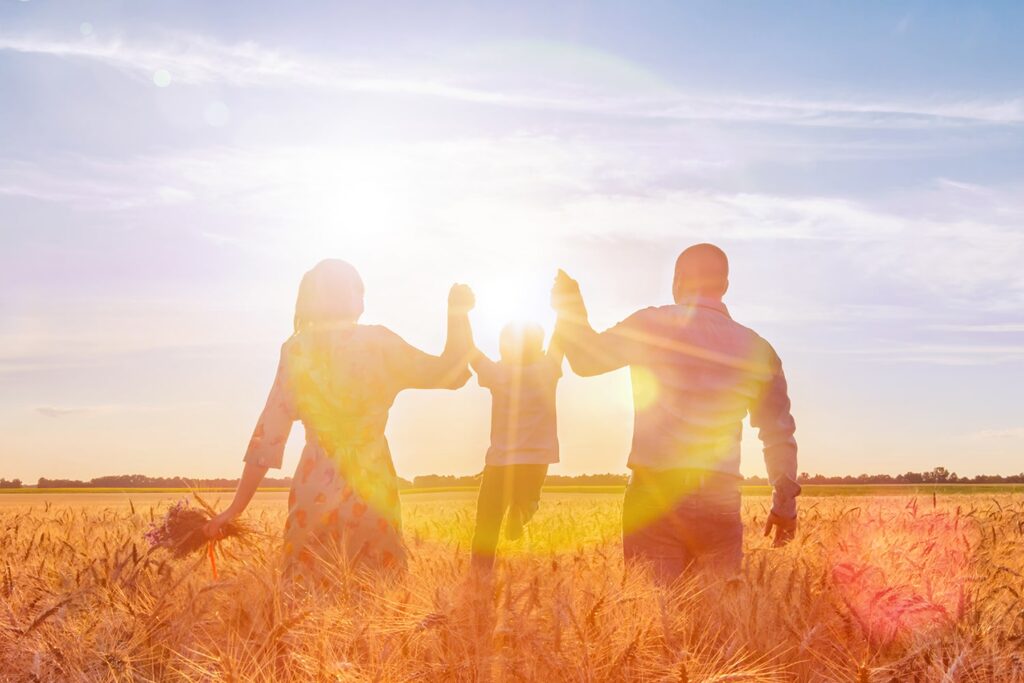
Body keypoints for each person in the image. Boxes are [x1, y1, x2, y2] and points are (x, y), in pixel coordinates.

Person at [205, 259, 475, 578]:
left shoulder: (297, 350)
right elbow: (452, 373)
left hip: (313, 487)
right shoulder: (380, 343)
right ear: (353, 298)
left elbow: (268, 437)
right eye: (357, 288)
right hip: (372, 486)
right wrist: (458, 315)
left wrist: (235, 509)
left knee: (305, 590)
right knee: (377, 590)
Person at [551, 243, 799, 581]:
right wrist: (785, 506)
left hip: (655, 493)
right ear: (724, 285)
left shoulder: (652, 323)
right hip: (720, 496)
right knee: (717, 622)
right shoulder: (759, 349)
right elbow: (778, 432)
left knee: (655, 619)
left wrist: (569, 306)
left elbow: (586, 360)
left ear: (678, 280)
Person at [469, 321, 563, 569]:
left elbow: (469, 350)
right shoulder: (548, 369)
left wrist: (461, 311)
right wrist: (565, 299)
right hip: (537, 459)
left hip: (500, 461)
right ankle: (522, 508)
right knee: (531, 499)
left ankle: (479, 578)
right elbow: (562, 334)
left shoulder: (498, 374)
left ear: (504, 350)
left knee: (486, 527)